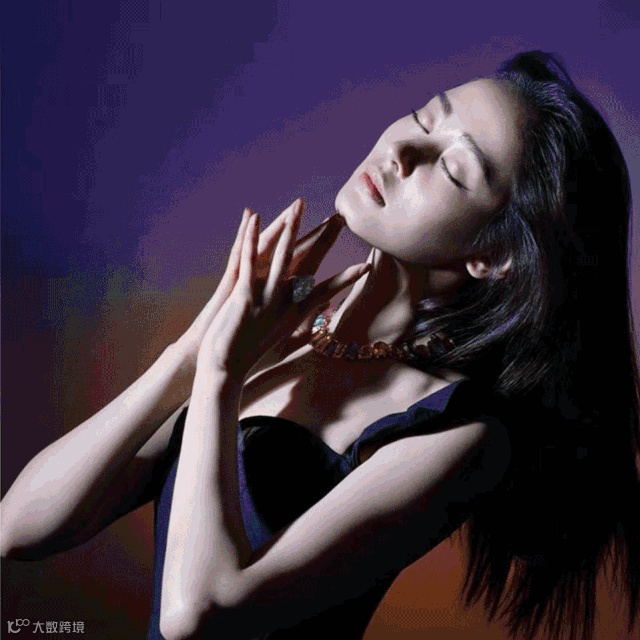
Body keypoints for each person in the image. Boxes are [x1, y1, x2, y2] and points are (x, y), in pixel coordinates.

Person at [1, 51, 638, 640]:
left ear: (494, 255)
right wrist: (193, 350)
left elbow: (197, 614)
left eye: (451, 168)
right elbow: (19, 527)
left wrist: (221, 373)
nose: (402, 149)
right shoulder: (280, 334)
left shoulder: (460, 435)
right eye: (424, 116)